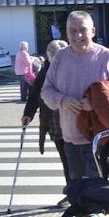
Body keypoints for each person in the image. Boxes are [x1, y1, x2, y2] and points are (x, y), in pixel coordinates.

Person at [40, 12, 109, 181]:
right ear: (66, 32)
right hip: (70, 138)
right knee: (78, 192)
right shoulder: (60, 58)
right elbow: (46, 91)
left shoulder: (107, 57)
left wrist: (96, 102)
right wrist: (62, 100)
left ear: (93, 31)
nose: (77, 35)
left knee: (97, 192)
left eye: (82, 30)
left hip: (100, 139)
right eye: (72, 31)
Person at [23, 39, 70, 207]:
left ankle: (78, 192)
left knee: (76, 161)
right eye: (52, 59)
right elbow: (35, 94)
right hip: (55, 126)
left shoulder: (73, 69)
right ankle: (72, 192)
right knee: (66, 160)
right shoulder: (45, 71)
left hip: (75, 124)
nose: (55, 62)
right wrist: (28, 114)